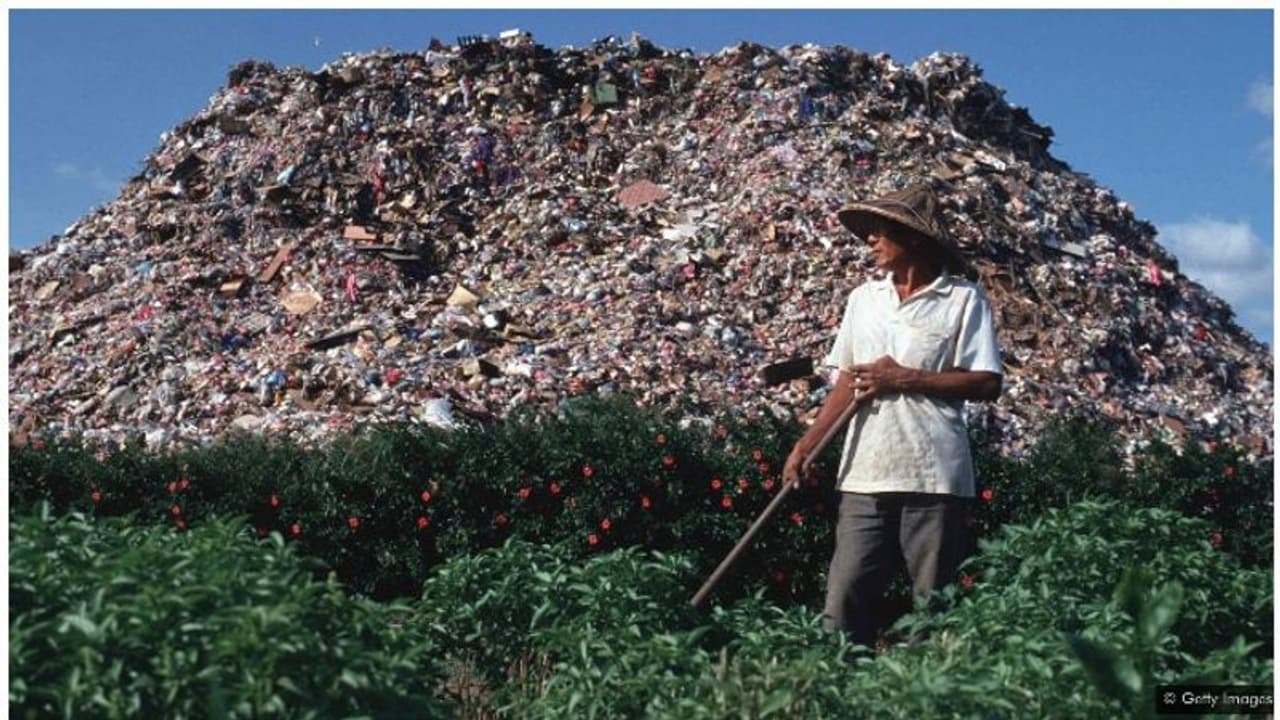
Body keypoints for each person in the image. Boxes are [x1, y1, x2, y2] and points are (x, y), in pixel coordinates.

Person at [781, 183, 1003, 649]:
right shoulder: (864, 299)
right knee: (845, 599)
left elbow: (986, 382)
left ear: (915, 239)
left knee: (932, 605)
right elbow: (847, 382)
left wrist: (905, 378)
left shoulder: (962, 299)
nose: (871, 241)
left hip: (934, 476)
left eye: (881, 232)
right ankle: (838, 691)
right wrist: (807, 446)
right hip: (865, 472)